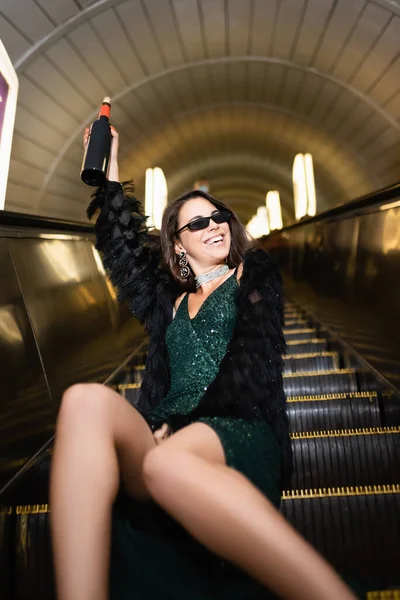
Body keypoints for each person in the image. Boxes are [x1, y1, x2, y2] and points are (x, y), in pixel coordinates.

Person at [49, 126, 357, 600]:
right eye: (197, 223)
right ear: (176, 245)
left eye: (219, 217)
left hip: (237, 429)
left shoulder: (251, 277)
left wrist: (181, 425)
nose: (214, 225)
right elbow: (125, 250)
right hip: (165, 432)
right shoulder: (168, 302)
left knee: (167, 464)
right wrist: (109, 174)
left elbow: (253, 360)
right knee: (82, 400)